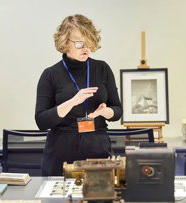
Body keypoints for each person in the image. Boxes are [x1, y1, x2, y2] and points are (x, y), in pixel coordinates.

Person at [35, 14, 122, 176]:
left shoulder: (102, 68)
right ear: (64, 42)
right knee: (58, 201)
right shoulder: (50, 74)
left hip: (97, 149)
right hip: (61, 151)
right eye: (79, 43)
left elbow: (117, 110)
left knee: (99, 199)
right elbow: (41, 120)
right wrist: (72, 102)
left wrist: (105, 112)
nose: (85, 48)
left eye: (89, 42)